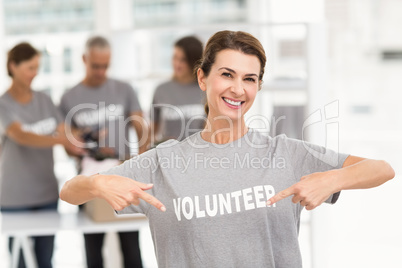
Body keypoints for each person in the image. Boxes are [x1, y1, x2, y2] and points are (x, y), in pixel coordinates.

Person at [59, 31, 395, 268]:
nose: (238, 88)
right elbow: (70, 192)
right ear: (203, 79)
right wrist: (97, 182)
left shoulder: (285, 152)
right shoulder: (163, 162)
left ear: (259, 86)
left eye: (250, 79)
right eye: (227, 74)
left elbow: (382, 169)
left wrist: (331, 180)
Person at [59, 36, 147, 268]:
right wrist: (89, 147)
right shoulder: (69, 98)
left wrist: (142, 161)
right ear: (84, 60)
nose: (101, 71)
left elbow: (141, 126)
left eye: (105, 66)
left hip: (123, 177)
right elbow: (68, 147)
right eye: (95, 66)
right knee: (93, 249)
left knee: (131, 248)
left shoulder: (124, 90)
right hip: (90, 184)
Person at [0, 42, 83, 268]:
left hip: (46, 194)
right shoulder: (3, 105)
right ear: (13, 67)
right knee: (21, 261)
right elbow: (21, 136)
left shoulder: (44, 101)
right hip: (15, 199)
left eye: (37, 67)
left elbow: (65, 130)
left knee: (45, 260)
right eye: (29, 68)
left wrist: (82, 136)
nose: (34, 74)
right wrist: (61, 140)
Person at [151, 36, 205, 144]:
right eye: (175, 57)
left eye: (183, 60)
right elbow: (152, 132)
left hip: (198, 154)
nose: (177, 64)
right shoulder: (161, 90)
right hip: (167, 156)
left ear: (194, 61)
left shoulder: (206, 90)